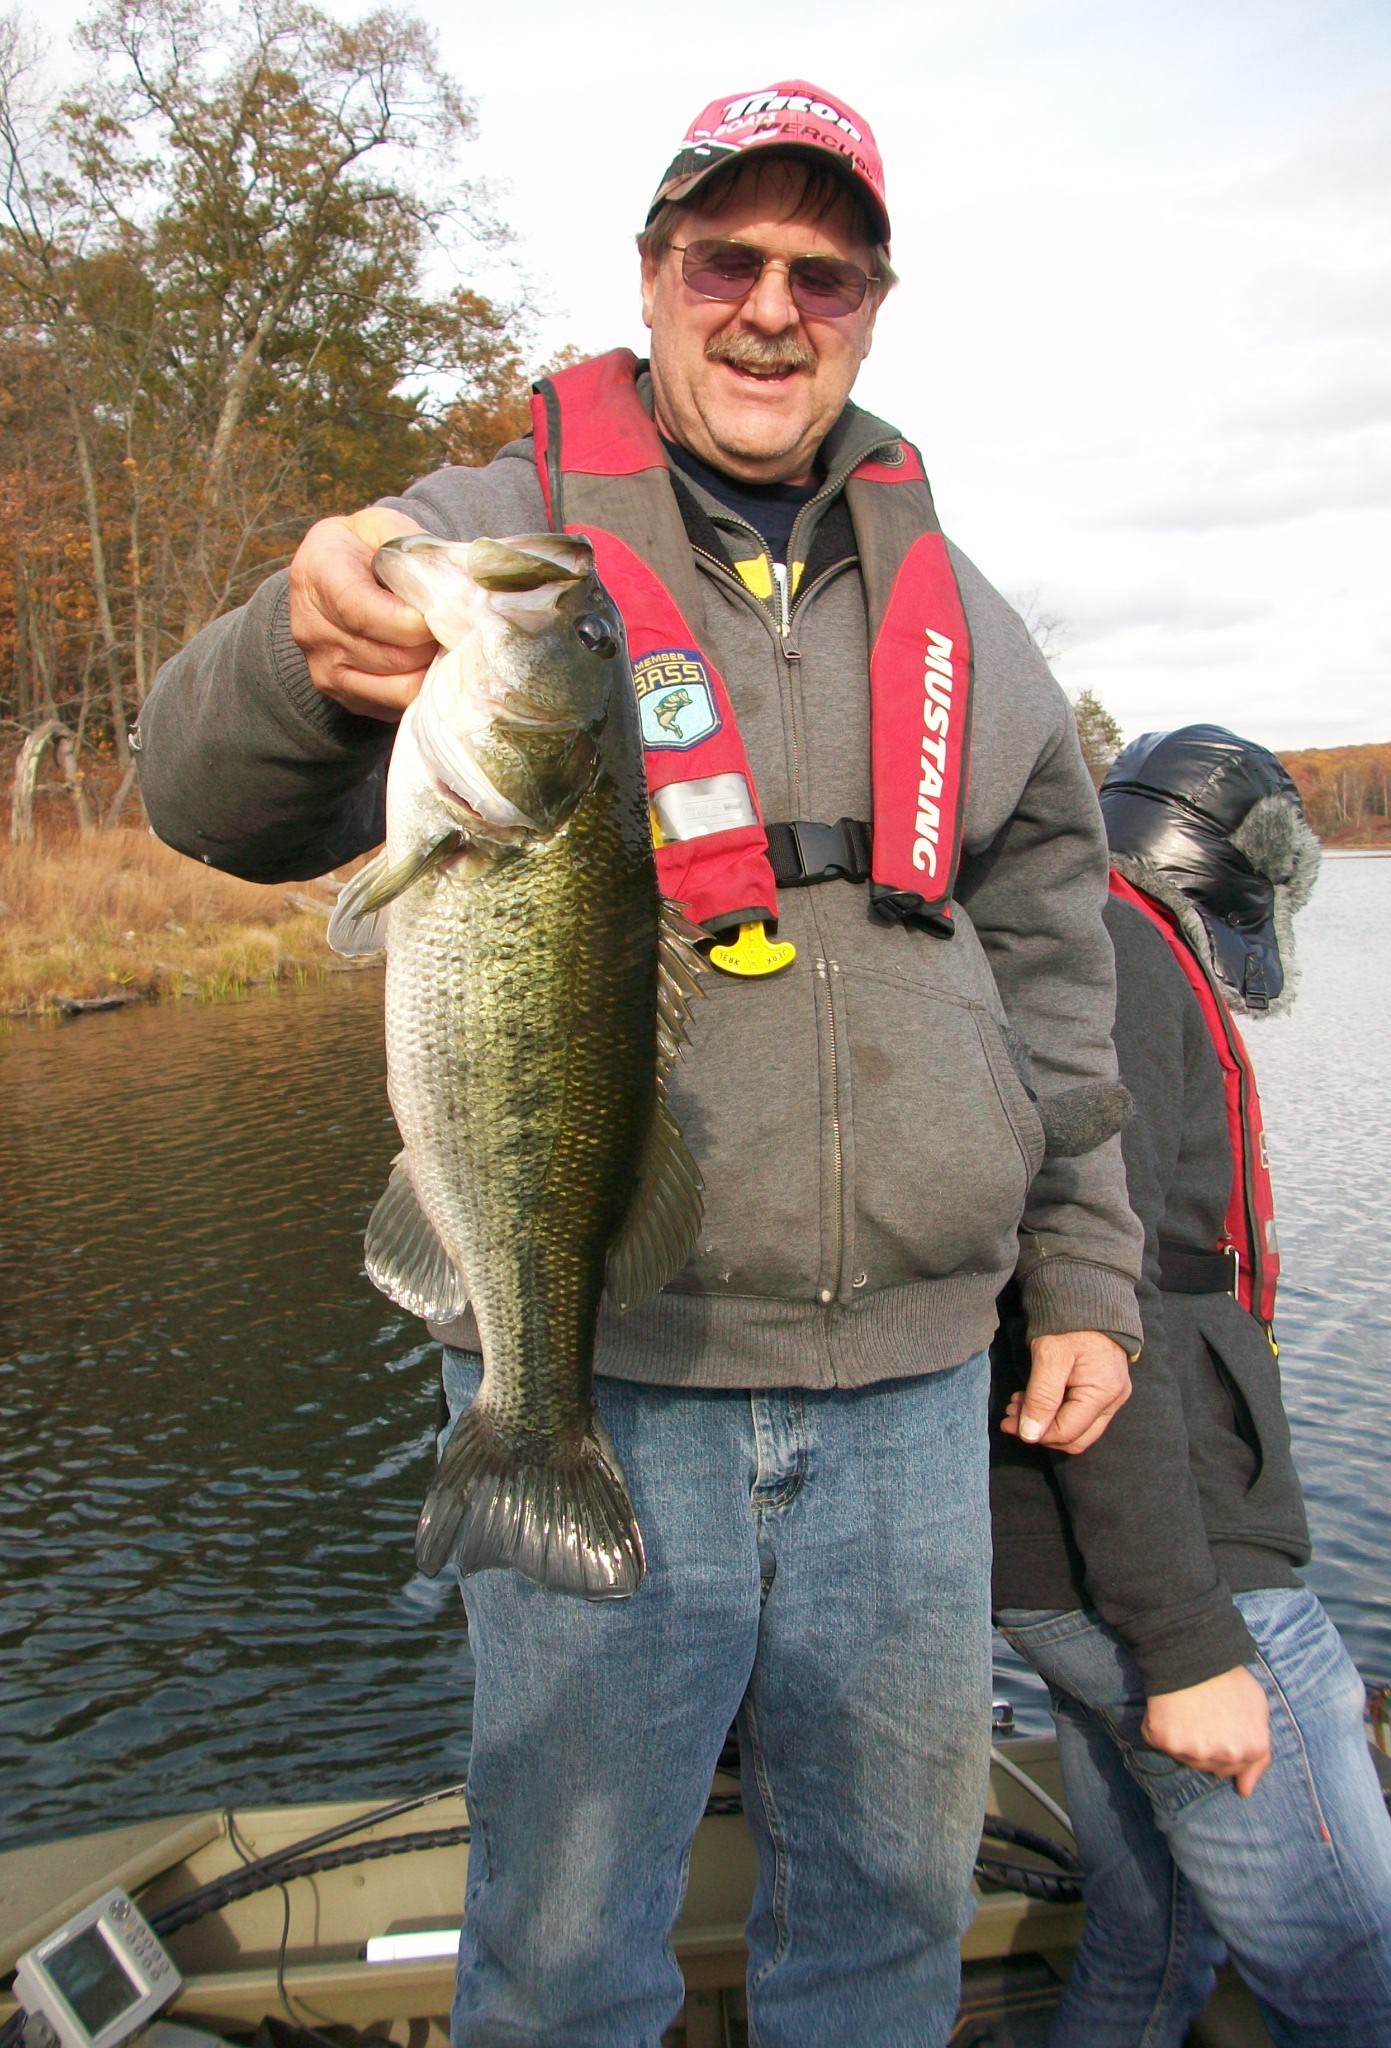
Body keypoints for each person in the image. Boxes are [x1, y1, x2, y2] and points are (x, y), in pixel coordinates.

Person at [136, 80, 1143, 2048]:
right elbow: (203, 788)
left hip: (918, 1393)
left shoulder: (972, 622)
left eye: (820, 271)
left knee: (886, 1917)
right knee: (572, 1929)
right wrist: (295, 638)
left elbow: (1057, 971)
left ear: (871, 302)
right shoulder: (489, 546)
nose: (771, 307)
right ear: (655, 278)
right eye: (725, 259)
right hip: (615, 1358)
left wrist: (1085, 1272)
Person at [993, 724, 1391, 2046]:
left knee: (1155, 1943)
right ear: (1235, 859)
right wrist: (1187, 1637)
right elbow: (1109, 1306)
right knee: (1353, 1973)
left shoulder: (1085, 936)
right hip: (1166, 1561)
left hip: (1066, 1554)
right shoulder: (1115, 960)